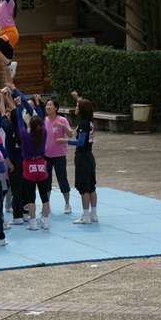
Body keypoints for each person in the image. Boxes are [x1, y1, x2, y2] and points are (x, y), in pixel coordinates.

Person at [56, 91, 98, 224]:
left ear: (82, 110)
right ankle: (93, 214)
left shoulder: (84, 124)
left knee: (84, 186)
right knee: (91, 186)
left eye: (77, 106)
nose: (75, 108)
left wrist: (65, 141)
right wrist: (77, 98)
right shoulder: (88, 121)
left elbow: (80, 142)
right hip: (89, 157)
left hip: (83, 157)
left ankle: (86, 216)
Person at [14, 89, 49, 231]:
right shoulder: (44, 132)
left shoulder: (24, 135)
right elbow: (40, 116)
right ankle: (45, 222)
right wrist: (37, 104)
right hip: (41, 164)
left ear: (29, 125)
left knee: (30, 197)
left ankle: (33, 223)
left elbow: (18, 121)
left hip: (29, 166)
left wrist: (18, 106)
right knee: (44, 197)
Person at [0, 89, 27, 226]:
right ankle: (25, 212)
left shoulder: (8, 128)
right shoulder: (23, 127)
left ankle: (18, 216)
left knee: (15, 189)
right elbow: (17, 113)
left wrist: (2, 98)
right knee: (25, 187)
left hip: (13, 163)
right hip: (24, 160)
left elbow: (3, 111)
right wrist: (11, 99)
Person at [44, 98, 73, 214]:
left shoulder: (62, 120)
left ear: (56, 108)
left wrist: (63, 126)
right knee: (46, 180)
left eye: (50, 105)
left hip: (59, 155)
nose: (48, 107)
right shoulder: (44, 120)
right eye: (47, 105)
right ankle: (47, 204)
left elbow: (70, 135)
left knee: (62, 178)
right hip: (46, 155)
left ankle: (67, 203)